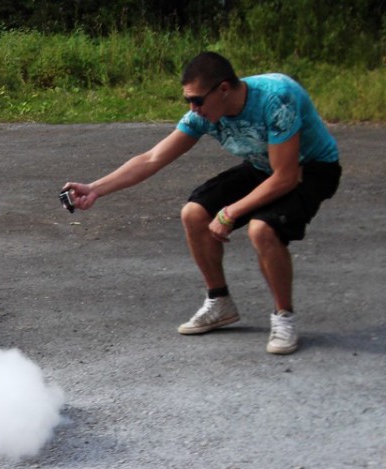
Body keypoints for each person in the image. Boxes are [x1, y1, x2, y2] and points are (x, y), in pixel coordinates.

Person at [62, 51, 341, 355]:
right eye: (188, 102)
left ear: (223, 89)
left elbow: (285, 178)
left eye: (197, 100)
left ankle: (283, 316)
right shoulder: (204, 113)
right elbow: (152, 158)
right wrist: (94, 189)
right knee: (193, 214)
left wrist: (231, 212)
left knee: (262, 230)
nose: (193, 109)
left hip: (310, 169)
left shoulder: (278, 98)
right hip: (263, 165)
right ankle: (219, 302)